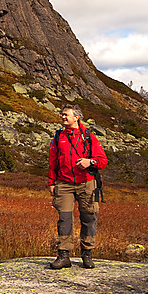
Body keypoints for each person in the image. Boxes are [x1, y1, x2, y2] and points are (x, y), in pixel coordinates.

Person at [47, 104, 107, 269]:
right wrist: (51, 182)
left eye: (66, 115)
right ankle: (64, 255)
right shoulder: (59, 136)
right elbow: (52, 161)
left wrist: (90, 162)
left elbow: (102, 160)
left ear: (76, 117)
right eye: (62, 115)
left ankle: (87, 254)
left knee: (89, 218)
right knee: (64, 220)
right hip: (64, 184)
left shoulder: (88, 135)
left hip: (87, 184)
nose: (63, 117)